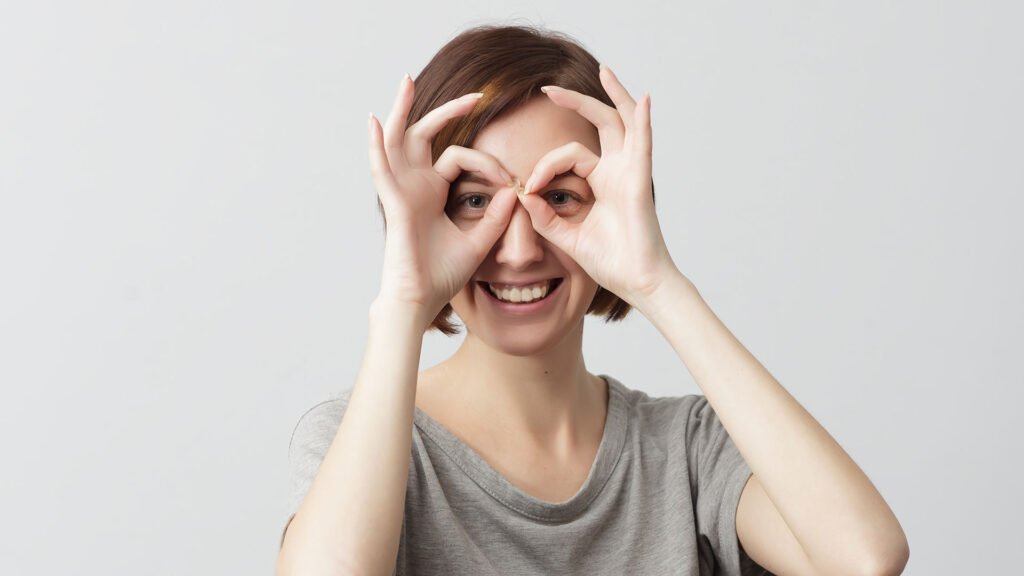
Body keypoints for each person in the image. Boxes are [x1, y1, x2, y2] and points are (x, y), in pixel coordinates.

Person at [275, 24, 909, 576]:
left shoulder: (688, 451)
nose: (519, 250)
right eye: (474, 201)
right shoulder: (362, 438)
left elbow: (864, 559)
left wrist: (657, 282)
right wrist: (404, 300)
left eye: (560, 196)